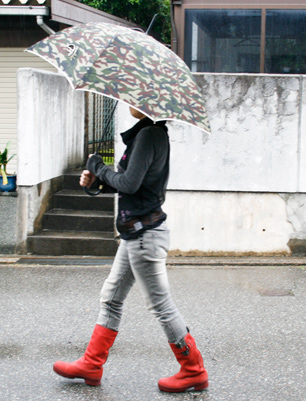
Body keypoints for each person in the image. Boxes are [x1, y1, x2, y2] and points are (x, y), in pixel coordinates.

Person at [52, 106, 208, 393]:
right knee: (111, 297)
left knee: (160, 305)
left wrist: (98, 166)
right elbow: (130, 185)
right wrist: (97, 180)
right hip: (135, 232)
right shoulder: (149, 134)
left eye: (134, 99)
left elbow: (130, 183)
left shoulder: (149, 134)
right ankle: (91, 364)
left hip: (144, 235)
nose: (128, 102)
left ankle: (193, 370)